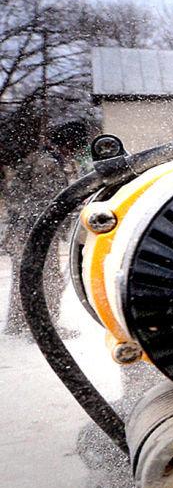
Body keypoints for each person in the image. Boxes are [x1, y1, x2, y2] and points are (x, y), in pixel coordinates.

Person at [3, 118, 86, 336]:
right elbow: (47, 203)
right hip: (34, 231)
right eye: (76, 148)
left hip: (24, 230)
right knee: (47, 278)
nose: (75, 154)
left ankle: (20, 324)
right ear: (69, 144)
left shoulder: (42, 158)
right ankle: (44, 328)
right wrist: (72, 207)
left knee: (25, 278)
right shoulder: (47, 164)